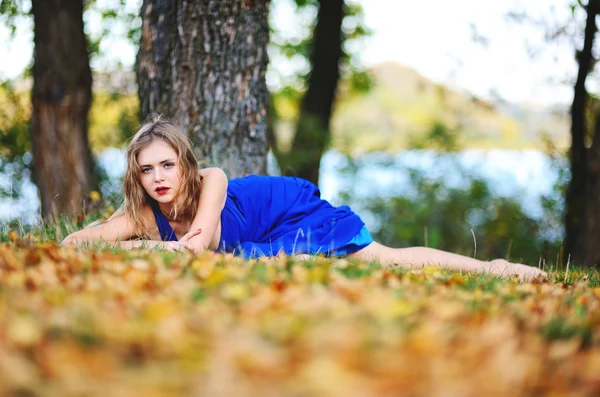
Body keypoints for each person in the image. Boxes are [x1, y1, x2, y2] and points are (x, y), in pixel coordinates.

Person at [62, 117, 547, 280]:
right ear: (137, 177)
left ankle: (494, 268)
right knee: (335, 271)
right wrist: (104, 234)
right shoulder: (143, 213)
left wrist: (135, 248)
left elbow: (194, 249)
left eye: (167, 165)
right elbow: (76, 242)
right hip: (255, 234)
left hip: (281, 206)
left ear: (185, 164)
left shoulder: (212, 179)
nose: (159, 177)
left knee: (382, 259)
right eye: (147, 170)